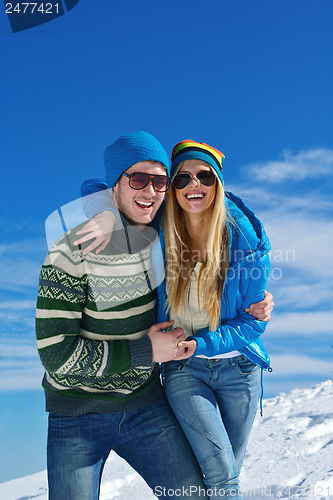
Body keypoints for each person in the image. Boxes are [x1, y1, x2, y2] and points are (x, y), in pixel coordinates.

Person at [77, 137, 273, 499]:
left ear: (219, 183)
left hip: (241, 371)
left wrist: (205, 342)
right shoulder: (160, 223)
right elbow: (98, 187)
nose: (192, 185)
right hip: (186, 368)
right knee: (222, 474)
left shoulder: (247, 243)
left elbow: (253, 323)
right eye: (181, 179)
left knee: (224, 473)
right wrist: (105, 212)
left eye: (204, 176)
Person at [36, 132, 209, 500]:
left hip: (146, 405)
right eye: (138, 179)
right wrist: (146, 351)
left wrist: (256, 297)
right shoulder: (71, 251)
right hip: (75, 416)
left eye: (160, 181)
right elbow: (56, 356)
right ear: (115, 187)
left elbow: (219, 223)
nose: (150, 191)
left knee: (193, 495)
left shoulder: (163, 238)